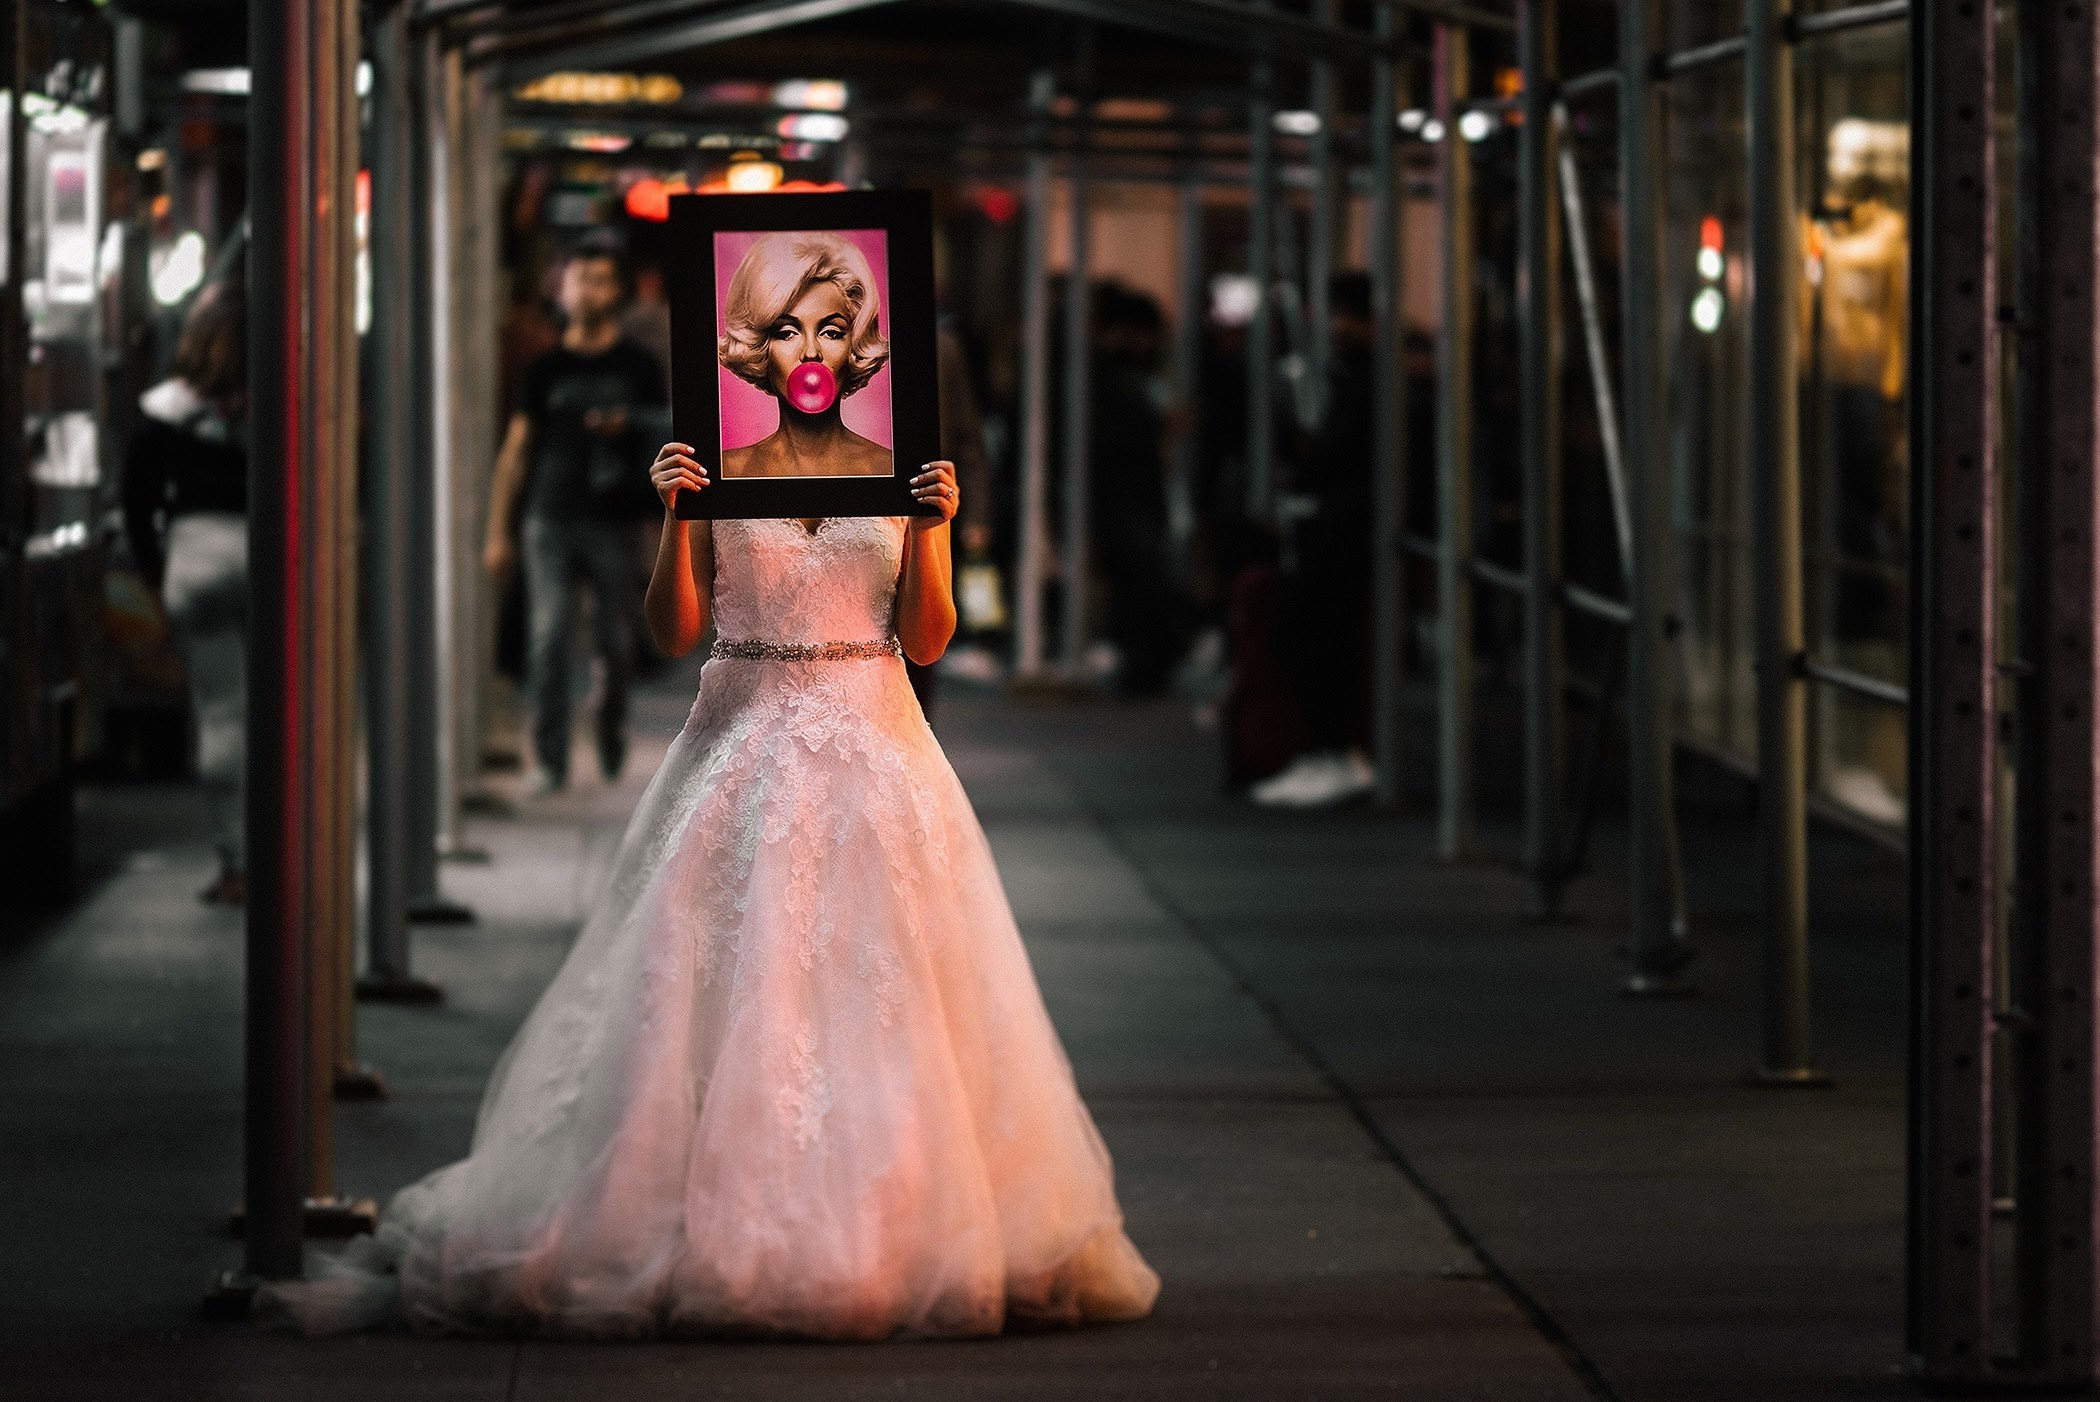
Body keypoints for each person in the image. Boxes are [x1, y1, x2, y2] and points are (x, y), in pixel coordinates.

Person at [252, 438, 1161, 1341]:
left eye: (835, 325)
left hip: (876, 748)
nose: (813, 349)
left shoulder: (898, 462)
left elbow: (926, 637)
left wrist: (935, 529)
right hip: (742, 744)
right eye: (790, 328)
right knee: (719, 984)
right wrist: (676, 516)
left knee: (886, 993)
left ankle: (893, 1212)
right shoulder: (719, 459)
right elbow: (673, 630)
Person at [484, 239, 669, 795]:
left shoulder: (638, 367)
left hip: (614, 520)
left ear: (618, 291)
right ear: (561, 289)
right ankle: (549, 759)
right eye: (577, 279)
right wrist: (498, 529)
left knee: (616, 643)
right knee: (548, 638)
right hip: (549, 517)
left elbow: (666, 440)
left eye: (599, 280)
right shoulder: (544, 368)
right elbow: (516, 451)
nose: (586, 291)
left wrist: (630, 426)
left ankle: (612, 729)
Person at [120, 282, 251, 905]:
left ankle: (237, 863)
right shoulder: (285, 403)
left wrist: (153, 574)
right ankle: (295, 852)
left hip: (194, 557)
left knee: (222, 716)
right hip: (273, 558)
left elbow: (136, 501)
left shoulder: (163, 410)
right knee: (285, 718)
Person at [1249, 274, 1378, 808]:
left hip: (1347, 525)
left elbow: (1332, 455)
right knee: (1307, 635)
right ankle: (1329, 749)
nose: (1337, 326)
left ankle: (1337, 750)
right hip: (1336, 521)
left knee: (1318, 638)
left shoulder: (1365, 381)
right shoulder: (1347, 377)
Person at [717, 230, 892, 483]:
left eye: (831, 333)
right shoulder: (724, 472)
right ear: (761, 345)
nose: (811, 352)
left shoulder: (891, 469)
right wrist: (673, 506)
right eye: (787, 333)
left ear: (854, 344)